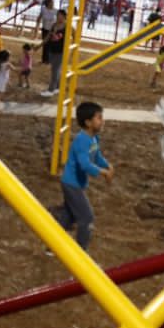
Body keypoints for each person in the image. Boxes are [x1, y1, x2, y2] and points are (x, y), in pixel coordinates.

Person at [55, 101, 113, 250]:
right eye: (99, 118)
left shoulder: (94, 138)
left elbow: (97, 156)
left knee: (69, 215)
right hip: (71, 184)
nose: (103, 121)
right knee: (86, 218)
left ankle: (52, 245)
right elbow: (85, 165)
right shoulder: (81, 141)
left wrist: (107, 165)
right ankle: (81, 252)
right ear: (88, 122)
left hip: (76, 183)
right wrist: (103, 172)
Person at [41, 10, 67, 97]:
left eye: (60, 15)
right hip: (52, 50)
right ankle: (58, 87)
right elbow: (48, 36)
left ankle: (51, 90)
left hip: (61, 51)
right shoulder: (54, 25)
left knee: (55, 70)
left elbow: (74, 35)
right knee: (56, 70)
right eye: (57, 15)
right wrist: (40, 45)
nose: (58, 17)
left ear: (64, 16)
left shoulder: (67, 26)